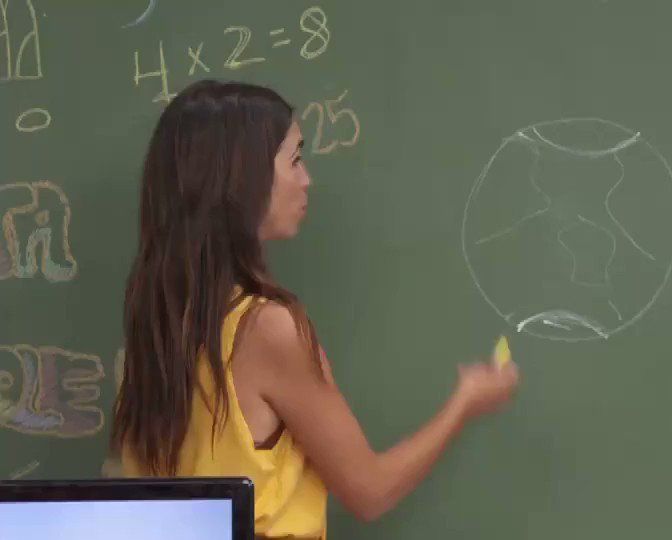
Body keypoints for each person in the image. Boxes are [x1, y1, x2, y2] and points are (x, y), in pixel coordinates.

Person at [110, 79, 520, 539]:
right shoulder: (265, 328)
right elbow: (370, 491)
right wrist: (465, 402)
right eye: (294, 160)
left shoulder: (160, 325)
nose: (306, 180)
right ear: (243, 180)